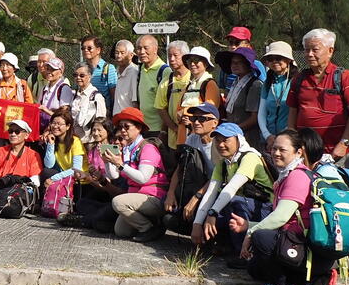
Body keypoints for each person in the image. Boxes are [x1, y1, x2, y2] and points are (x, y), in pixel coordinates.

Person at [238, 128, 339, 285]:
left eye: (282, 150)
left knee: (261, 237)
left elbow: (280, 217)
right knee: (254, 268)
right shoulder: (287, 175)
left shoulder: (297, 176)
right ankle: (308, 278)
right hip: (294, 244)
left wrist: (251, 232)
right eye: (274, 148)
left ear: (298, 152)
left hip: (305, 246)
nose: (276, 153)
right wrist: (249, 225)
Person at [192, 122, 274, 263]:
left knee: (232, 201)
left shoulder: (250, 157)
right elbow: (210, 193)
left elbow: (231, 188)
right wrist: (197, 223)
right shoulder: (223, 163)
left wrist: (212, 213)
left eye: (226, 140)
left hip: (265, 208)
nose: (221, 144)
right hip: (244, 206)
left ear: (239, 140)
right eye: (217, 140)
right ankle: (225, 244)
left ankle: (245, 254)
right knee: (209, 206)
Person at [287, 28, 349, 171]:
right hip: (306, 154)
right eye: (306, 50)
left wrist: (344, 144)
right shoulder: (298, 79)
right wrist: (292, 141)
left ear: (330, 51)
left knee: (341, 186)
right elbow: (292, 111)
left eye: (315, 49)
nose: (309, 54)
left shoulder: (344, 77)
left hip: (338, 153)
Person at [106, 108, 169, 240]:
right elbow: (114, 176)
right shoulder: (127, 149)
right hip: (135, 196)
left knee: (118, 202)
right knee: (121, 231)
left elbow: (143, 178)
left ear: (139, 128)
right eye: (120, 127)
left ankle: (149, 228)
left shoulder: (148, 148)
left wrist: (120, 165)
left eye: (126, 126)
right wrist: (107, 162)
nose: (123, 130)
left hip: (153, 197)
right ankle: (152, 222)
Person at [164, 103, 219, 232]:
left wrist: (196, 197)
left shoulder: (220, 143)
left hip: (215, 191)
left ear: (215, 123)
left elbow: (218, 178)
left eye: (202, 119)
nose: (196, 122)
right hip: (194, 187)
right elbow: (180, 168)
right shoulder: (192, 139)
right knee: (167, 217)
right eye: (194, 118)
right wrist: (170, 194)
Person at [173, 46, 221, 147]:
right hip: (183, 136)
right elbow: (178, 110)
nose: (192, 64)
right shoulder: (189, 85)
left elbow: (210, 110)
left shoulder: (210, 84)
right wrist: (181, 115)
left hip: (201, 139)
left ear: (206, 63)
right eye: (190, 61)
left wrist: (186, 114)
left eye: (196, 61)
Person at [217, 46, 263, 147]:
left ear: (248, 64)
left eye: (239, 62)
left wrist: (234, 130)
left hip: (247, 139)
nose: (234, 65)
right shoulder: (235, 83)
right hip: (232, 137)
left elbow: (254, 118)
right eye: (233, 62)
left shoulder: (255, 85)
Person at [155, 40, 192, 154]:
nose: (171, 59)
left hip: (193, 136)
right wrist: (174, 128)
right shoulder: (166, 81)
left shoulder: (194, 78)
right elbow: (160, 108)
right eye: (169, 55)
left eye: (176, 55)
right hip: (173, 139)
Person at [257, 42, 297, 148]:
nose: (274, 61)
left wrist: (282, 137)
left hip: (288, 140)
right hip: (267, 140)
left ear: (288, 60)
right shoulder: (267, 83)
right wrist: (267, 135)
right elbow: (262, 113)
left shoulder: (297, 82)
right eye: (270, 59)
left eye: (278, 58)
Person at [41, 109, 84, 185]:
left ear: (68, 126)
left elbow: (76, 169)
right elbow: (49, 165)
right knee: (46, 172)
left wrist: (53, 178)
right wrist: (51, 144)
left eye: (59, 124)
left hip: (79, 180)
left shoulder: (75, 141)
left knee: (47, 176)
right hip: (64, 177)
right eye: (53, 123)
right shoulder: (53, 139)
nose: (55, 126)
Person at [70, 65, 107, 146]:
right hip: (75, 141)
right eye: (75, 75)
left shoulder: (96, 97)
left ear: (89, 76)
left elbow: (101, 122)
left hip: (90, 143)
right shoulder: (75, 95)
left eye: (82, 75)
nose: (78, 78)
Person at [80, 36, 118, 112]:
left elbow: (114, 94)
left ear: (98, 50)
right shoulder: (81, 68)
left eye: (89, 48)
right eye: (83, 48)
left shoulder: (108, 68)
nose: (86, 50)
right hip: (83, 112)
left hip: (102, 113)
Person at [37, 58, 74, 132]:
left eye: (53, 70)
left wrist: (46, 110)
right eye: (48, 69)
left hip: (56, 130)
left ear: (60, 73)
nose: (49, 72)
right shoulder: (45, 88)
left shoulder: (64, 88)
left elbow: (64, 116)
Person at [111, 40, 139, 113]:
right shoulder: (116, 71)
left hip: (128, 117)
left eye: (122, 53)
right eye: (117, 52)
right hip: (117, 117)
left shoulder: (134, 72)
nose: (118, 56)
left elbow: (135, 102)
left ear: (131, 55)